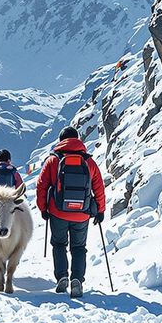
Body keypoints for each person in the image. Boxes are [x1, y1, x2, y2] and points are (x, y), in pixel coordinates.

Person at [36, 126, 106, 298]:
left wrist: (43, 208)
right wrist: (100, 210)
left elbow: (41, 185)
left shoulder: (53, 160)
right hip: (82, 213)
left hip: (58, 212)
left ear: (61, 141)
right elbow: (99, 187)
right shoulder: (88, 161)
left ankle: (62, 277)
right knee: (79, 247)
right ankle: (77, 280)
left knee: (59, 244)